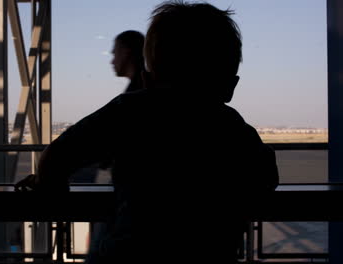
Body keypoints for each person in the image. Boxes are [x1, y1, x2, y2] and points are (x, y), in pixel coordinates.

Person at [16, 1, 279, 264]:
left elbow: (55, 157)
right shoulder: (229, 125)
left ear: (148, 78)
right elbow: (265, 178)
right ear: (229, 86)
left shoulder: (129, 111)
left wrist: (51, 192)